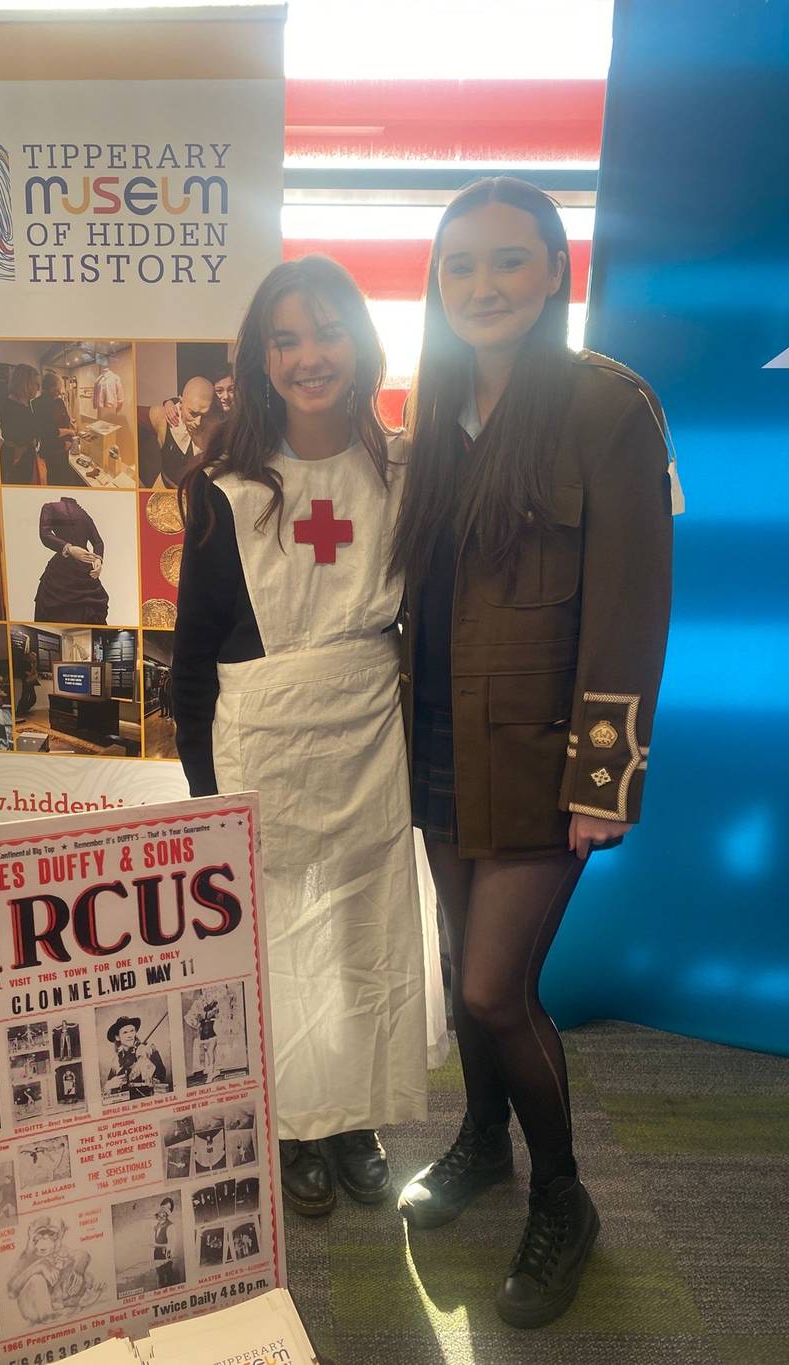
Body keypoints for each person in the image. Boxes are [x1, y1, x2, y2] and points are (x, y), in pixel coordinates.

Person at [393, 177, 674, 1329]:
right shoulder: (437, 402)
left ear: (554, 272)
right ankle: (481, 1141)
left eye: (508, 260)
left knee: (492, 988)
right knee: (461, 972)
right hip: (439, 737)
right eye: (459, 265)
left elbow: (630, 609)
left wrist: (603, 782)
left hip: (544, 757)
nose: (482, 285)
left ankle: (563, 1196)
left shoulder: (607, 407)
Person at [172, 256, 429, 1218]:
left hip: (363, 731)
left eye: (326, 332)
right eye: (286, 339)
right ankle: (291, 1122)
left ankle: (353, 1117)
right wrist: (204, 791)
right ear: (261, 359)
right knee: (277, 940)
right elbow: (193, 652)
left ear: (359, 342)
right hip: (261, 740)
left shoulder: (402, 469)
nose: (309, 355)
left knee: (359, 931)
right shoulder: (225, 486)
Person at [34, 497, 109, 624]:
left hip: (70, 571)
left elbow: (45, 534)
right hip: (75, 571)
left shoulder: (51, 507)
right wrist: (96, 558)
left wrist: (97, 559)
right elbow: (98, 542)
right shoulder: (83, 514)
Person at [144, 376, 220, 488]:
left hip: (198, 492)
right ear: (181, 404)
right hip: (165, 488)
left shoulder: (217, 427)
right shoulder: (162, 418)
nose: (198, 422)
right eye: (192, 413)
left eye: (205, 415)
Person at [32, 371, 81, 486]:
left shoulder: (59, 401)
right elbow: (49, 432)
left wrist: (71, 422)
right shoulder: (38, 404)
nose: (60, 391)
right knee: (57, 478)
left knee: (64, 474)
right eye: (58, 388)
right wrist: (69, 432)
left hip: (64, 448)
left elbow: (66, 417)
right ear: (51, 388)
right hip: (54, 449)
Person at [103, 1017, 167, 1100]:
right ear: (117, 1037)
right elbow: (111, 1083)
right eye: (125, 1032)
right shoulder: (116, 1060)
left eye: (132, 1031)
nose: (129, 1035)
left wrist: (146, 1058)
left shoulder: (148, 1049)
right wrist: (110, 1084)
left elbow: (161, 1075)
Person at [0, 363, 42, 485]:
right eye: (36, 384)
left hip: (23, 456)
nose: (38, 388)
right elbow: (19, 436)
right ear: (25, 383)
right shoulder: (11, 406)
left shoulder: (25, 403)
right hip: (16, 458)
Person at [152, 1199, 179, 1288]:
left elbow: (170, 1246)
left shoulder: (171, 1226)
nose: (165, 1210)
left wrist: (156, 1246)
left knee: (167, 1281)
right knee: (160, 1280)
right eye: (163, 1207)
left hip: (165, 1258)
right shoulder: (157, 1224)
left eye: (168, 1209)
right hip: (156, 1257)